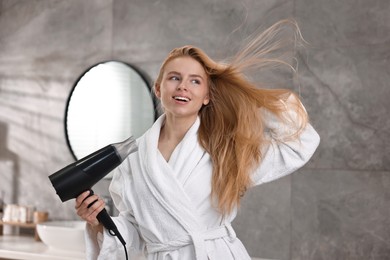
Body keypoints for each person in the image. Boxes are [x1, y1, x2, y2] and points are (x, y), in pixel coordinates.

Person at [75, 19, 320, 260]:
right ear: (159, 89)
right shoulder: (132, 160)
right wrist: (98, 222)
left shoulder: (225, 147)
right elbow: (135, 235)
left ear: (206, 96)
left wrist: (249, 99)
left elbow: (300, 143)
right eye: (174, 78)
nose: (183, 87)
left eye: (195, 81)